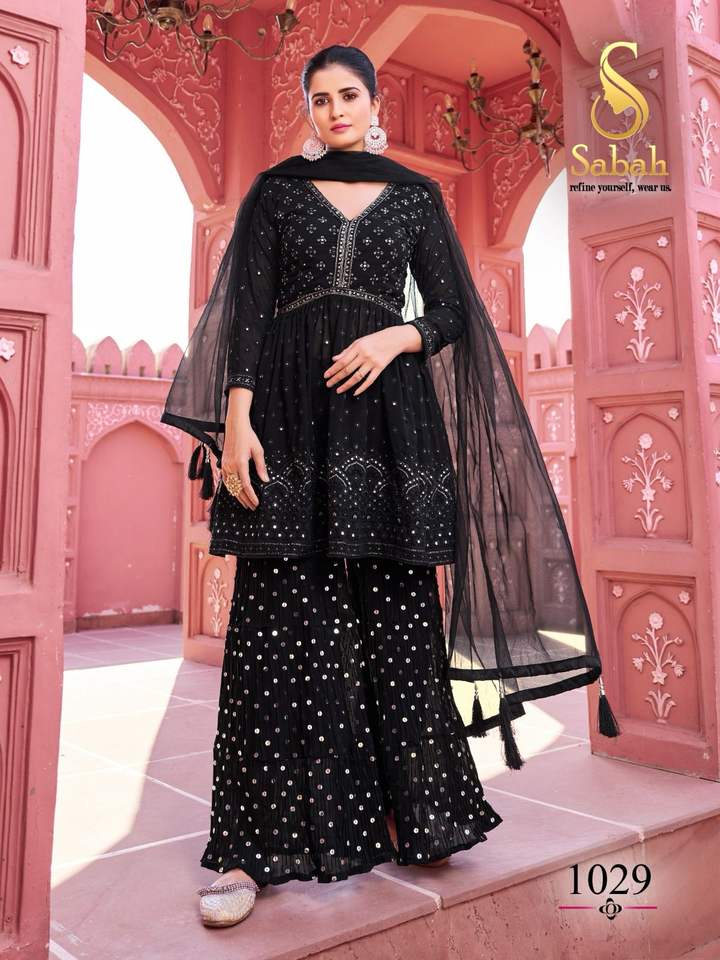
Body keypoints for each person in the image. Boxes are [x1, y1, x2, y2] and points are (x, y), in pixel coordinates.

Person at [160, 44, 620, 929]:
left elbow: (452, 312)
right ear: (309, 111)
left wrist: (395, 337)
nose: (334, 110)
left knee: (397, 617)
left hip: (388, 419)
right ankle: (249, 850)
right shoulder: (276, 192)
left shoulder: (415, 197)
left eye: (348, 95)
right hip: (287, 412)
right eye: (319, 99)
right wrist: (237, 419)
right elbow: (248, 310)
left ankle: (421, 812)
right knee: (274, 625)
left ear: (374, 105)